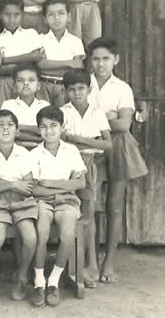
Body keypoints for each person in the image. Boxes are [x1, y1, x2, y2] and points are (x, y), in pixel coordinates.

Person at [87, 37, 148, 283]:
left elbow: (123, 125)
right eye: (96, 59)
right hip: (91, 145)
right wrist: (108, 116)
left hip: (119, 146)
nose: (101, 64)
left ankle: (109, 264)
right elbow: (79, 120)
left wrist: (96, 117)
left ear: (116, 60)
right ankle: (91, 262)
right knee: (89, 204)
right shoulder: (84, 84)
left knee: (113, 205)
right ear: (90, 61)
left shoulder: (122, 88)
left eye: (106, 59)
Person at [0, 109, 38, 302]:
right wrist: (13, 183)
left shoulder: (24, 154)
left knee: (30, 238)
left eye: (10, 125)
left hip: (22, 201)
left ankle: (21, 276)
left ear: (17, 131)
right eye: (0, 125)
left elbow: (27, 187)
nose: (5, 128)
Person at [30, 106, 86, 307]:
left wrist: (50, 183)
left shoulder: (71, 151)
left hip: (68, 202)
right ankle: (39, 282)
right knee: (42, 233)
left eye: (54, 125)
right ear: (38, 129)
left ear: (62, 127)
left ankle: (53, 280)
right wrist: (63, 187)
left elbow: (80, 183)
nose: (49, 130)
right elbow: (35, 189)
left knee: (68, 234)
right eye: (43, 126)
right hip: (43, 201)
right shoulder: (34, 154)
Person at [61, 68, 112, 287]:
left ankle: (91, 264)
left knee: (88, 214)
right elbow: (61, 143)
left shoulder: (97, 112)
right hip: (68, 165)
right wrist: (89, 141)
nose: (77, 93)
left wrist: (78, 139)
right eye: (72, 89)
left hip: (90, 164)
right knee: (69, 212)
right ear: (66, 91)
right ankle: (71, 266)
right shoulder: (62, 112)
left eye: (81, 88)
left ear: (89, 90)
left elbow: (107, 144)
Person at [0, 0, 44, 108]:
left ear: (22, 14)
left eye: (16, 14)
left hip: (27, 82)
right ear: (0, 15)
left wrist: (4, 60)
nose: (12, 19)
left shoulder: (31, 33)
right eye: (7, 14)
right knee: (4, 113)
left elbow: (36, 57)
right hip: (4, 82)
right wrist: (26, 60)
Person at [36, 0, 85, 106]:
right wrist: (68, 63)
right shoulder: (40, 39)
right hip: (43, 86)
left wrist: (49, 67)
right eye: (51, 14)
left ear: (69, 16)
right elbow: (40, 65)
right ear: (45, 19)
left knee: (63, 114)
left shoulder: (75, 41)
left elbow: (77, 67)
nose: (56, 18)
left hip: (65, 88)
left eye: (61, 13)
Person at [1, 63, 50, 147]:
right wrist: (35, 131)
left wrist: (20, 127)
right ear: (14, 86)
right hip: (15, 149)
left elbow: (47, 132)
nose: (26, 83)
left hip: (41, 149)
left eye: (31, 80)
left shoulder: (45, 106)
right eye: (20, 80)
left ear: (38, 85)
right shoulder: (8, 105)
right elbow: (6, 131)